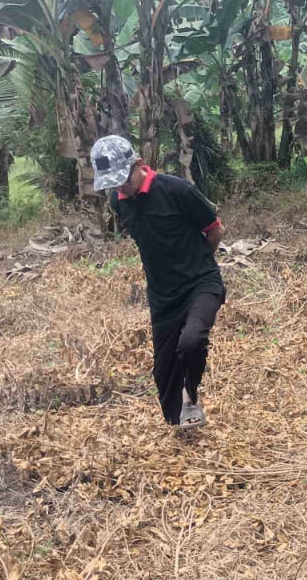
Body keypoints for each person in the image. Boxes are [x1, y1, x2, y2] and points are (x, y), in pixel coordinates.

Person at [93, 134, 226, 429]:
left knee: (192, 342)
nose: (119, 188)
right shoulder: (119, 201)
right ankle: (180, 423)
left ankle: (191, 398)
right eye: (112, 183)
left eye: (123, 180)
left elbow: (215, 230)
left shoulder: (177, 190)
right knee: (163, 377)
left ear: (139, 164)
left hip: (200, 284)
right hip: (163, 295)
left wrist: (198, 264)